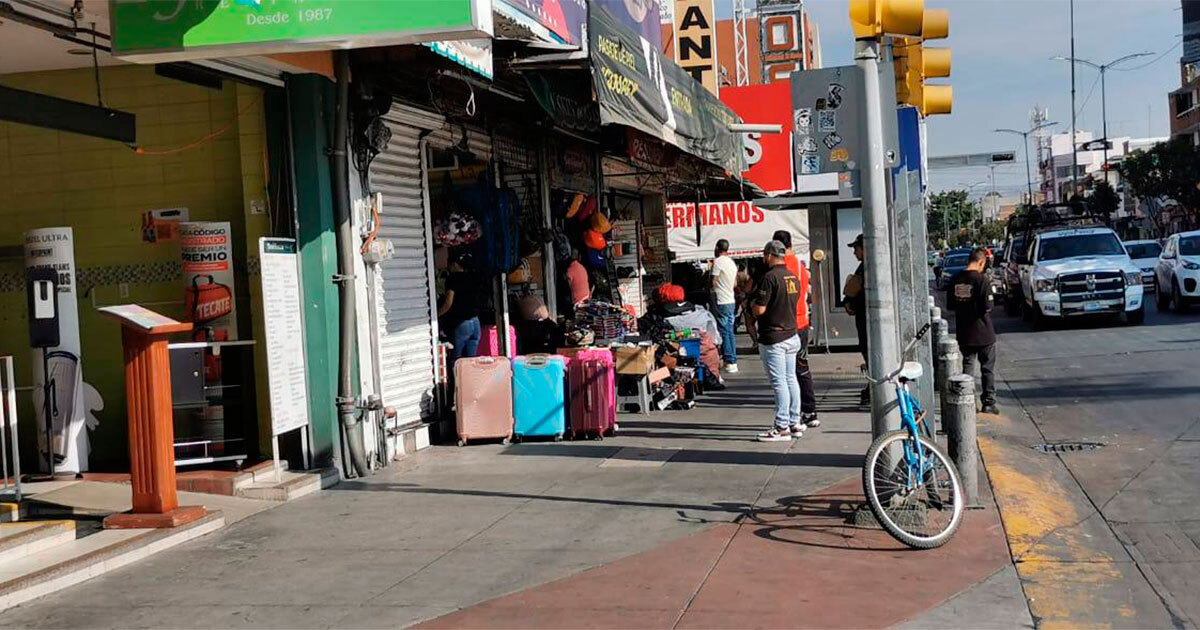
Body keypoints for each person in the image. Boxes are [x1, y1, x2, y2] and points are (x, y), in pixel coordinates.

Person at [752, 240, 804, 442]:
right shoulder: (792, 277)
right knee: (791, 378)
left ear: (769, 255)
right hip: (792, 334)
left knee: (779, 382)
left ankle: (782, 426)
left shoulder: (769, 278)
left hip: (774, 336)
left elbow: (760, 309)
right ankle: (795, 421)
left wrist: (752, 305)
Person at [773, 229, 819, 429]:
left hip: (788, 323)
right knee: (801, 367)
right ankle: (808, 410)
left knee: (787, 374)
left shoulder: (782, 265)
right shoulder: (800, 266)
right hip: (802, 322)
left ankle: (797, 413)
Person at [946, 247, 999, 414]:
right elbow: (988, 307)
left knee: (968, 367)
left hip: (965, 332)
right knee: (987, 369)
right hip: (984, 333)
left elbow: (951, 305)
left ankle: (968, 401)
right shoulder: (983, 281)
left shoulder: (955, 279)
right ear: (981, 262)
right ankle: (988, 403)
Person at [438, 250, 481, 364]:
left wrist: (437, 315)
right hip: (476, 322)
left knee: (457, 360)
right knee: (471, 361)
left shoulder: (453, 278)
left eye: (449, 264)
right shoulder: (473, 277)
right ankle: (470, 381)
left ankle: (457, 382)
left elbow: (448, 302)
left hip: (462, 324)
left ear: (455, 264)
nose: (448, 267)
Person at [843, 234, 869, 405]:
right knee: (867, 352)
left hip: (867, 320)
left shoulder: (868, 268)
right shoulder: (863, 267)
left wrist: (852, 305)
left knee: (869, 352)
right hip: (862, 318)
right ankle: (872, 385)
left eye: (856, 248)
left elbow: (863, 294)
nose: (854, 252)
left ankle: (873, 386)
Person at [709, 239, 740, 373]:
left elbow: (713, 281)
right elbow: (734, 284)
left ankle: (730, 360)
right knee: (729, 330)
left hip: (721, 300)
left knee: (724, 331)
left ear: (717, 248)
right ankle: (732, 358)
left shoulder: (718, 262)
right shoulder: (731, 263)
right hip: (730, 300)